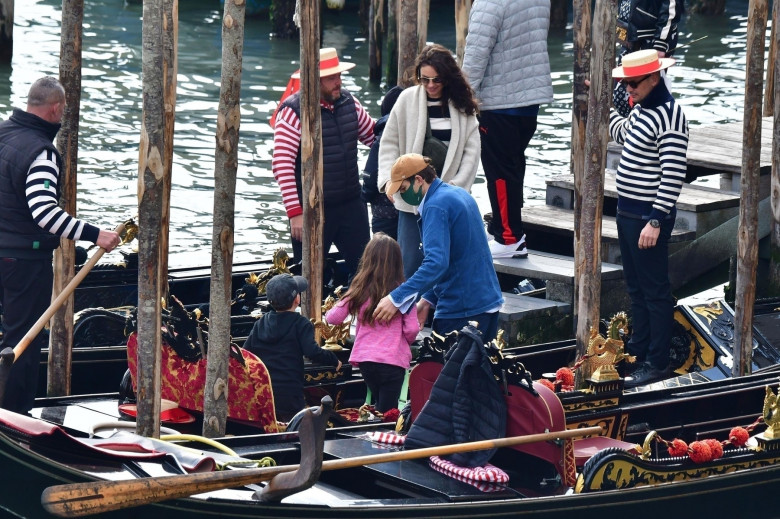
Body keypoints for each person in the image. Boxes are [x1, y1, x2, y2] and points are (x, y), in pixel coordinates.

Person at [0, 77, 121, 414]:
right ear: (55, 109)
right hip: (21, 262)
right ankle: (13, 416)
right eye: (64, 108)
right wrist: (96, 234)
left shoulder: (2, 132)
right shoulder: (41, 152)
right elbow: (43, 213)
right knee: (22, 341)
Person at [608, 50, 688, 388]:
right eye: (625, 83)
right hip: (627, 211)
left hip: (646, 216)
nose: (628, 89)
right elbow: (623, 135)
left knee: (655, 291)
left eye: (633, 83)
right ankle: (638, 353)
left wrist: (655, 220)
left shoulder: (670, 116)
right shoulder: (642, 109)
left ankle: (656, 362)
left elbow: (673, 174)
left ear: (654, 78)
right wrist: (604, 108)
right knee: (636, 288)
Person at [373, 154, 503, 342]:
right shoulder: (459, 194)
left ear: (419, 179)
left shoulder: (435, 206)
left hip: (461, 311)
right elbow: (460, 255)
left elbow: (436, 263)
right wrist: (427, 299)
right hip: (488, 304)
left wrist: (395, 298)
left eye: (403, 188)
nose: (401, 195)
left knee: (445, 370)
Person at [378, 44, 480, 280]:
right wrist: (387, 181)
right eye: (425, 80)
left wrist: (454, 189)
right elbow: (389, 143)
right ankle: (408, 314)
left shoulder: (464, 106)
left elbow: (471, 154)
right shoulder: (405, 100)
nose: (431, 86)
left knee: (448, 262)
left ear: (448, 78)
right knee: (410, 263)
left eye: (437, 80)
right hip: (411, 198)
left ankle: (440, 314)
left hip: (449, 196)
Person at [272, 47, 375, 280]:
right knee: (308, 278)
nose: (338, 82)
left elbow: (372, 136)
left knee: (366, 273)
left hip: (351, 204)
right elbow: (281, 164)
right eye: (331, 78)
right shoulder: (291, 112)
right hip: (312, 210)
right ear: (315, 80)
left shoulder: (350, 102)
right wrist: (295, 214)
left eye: (338, 76)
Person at [462, 0, 554, 259]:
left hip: (499, 102)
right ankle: (508, 228)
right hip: (529, 102)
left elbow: (476, 53)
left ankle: (509, 237)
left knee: (499, 172)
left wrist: (463, 96)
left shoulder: (490, 2)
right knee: (513, 167)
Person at [324, 233, 418, 412]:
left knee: (380, 403)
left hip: (366, 361)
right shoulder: (404, 293)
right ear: (398, 261)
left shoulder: (358, 289)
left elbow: (332, 318)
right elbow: (412, 329)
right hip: (392, 361)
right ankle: (382, 433)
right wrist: (406, 341)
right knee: (388, 408)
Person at [243, 273, 342, 421]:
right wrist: (334, 360)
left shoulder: (260, 323)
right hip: (290, 390)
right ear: (297, 299)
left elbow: (247, 354)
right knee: (294, 423)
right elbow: (312, 352)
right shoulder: (301, 324)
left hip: (265, 390)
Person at [613, 0, 684, 115]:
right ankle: (630, 128)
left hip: (651, 39)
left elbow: (671, 5)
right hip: (630, 35)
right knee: (621, 94)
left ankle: (647, 128)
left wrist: (660, 43)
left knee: (644, 94)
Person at [361, 86, 404, 239]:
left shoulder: (381, 140)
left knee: (384, 255)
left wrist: (365, 195)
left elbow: (371, 176)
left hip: (384, 214)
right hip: (407, 212)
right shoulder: (413, 135)